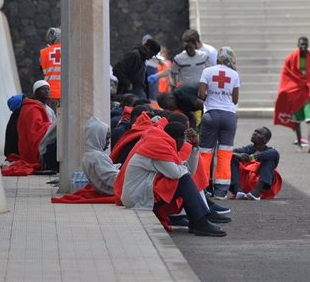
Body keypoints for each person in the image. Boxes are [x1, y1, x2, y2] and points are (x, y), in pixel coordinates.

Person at [117, 121, 229, 237]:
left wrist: (195, 148)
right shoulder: (157, 148)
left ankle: (198, 221)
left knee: (184, 178)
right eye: (184, 140)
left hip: (141, 191)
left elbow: (187, 171)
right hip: (136, 198)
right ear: (178, 140)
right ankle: (200, 222)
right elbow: (177, 173)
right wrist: (183, 169)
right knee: (183, 180)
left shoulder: (161, 144)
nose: (185, 143)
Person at [198, 47, 241, 200]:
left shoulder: (207, 71)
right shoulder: (234, 74)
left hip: (211, 115)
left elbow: (201, 94)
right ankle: (221, 191)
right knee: (225, 154)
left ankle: (202, 188)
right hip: (229, 117)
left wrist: (212, 95)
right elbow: (235, 100)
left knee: (205, 152)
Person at [273, 37, 310, 152]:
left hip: (308, 93)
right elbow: (286, 75)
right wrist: (286, 91)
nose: (303, 46)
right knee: (296, 121)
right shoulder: (290, 59)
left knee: (309, 118)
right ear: (297, 45)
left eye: (305, 44)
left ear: (308, 45)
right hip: (295, 93)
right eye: (301, 44)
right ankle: (299, 145)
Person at [230, 126, 281, 200]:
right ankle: (237, 190)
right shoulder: (248, 149)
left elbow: (275, 153)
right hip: (245, 185)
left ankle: (257, 192)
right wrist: (237, 155)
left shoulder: (271, 151)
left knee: (269, 159)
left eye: (259, 133)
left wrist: (253, 157)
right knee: (232, 156)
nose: (254, 133)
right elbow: (227, 152)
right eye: (255, 131)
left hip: (263, 188)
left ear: (265, 140)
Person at [17, 80, 56, 166]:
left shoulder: (50, 110)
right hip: (35, 144)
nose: (47, 91)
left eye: (48, 89)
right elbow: (34, 130)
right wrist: (50, 127)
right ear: (36, 93)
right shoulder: (31, 108)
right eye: (43, 89)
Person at [82, 117, 119, 195]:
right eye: (107, 138)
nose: (108, 142)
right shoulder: (98, 157)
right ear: (97, 137)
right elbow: (112, 179)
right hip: (112, 191)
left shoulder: (88, 155)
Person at [40, 27, 62, 105]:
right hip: (66, 91)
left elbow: (42, 69)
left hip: (49, 92)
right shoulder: (68, 50)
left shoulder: (44, 52)